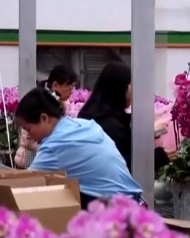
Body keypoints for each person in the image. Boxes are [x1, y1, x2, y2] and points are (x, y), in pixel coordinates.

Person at [15, 88, 143, 208]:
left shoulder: (54, 146)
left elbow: (24, 185)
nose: (28, 135)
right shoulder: (83, 125)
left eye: (28, 129)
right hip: (134, 201)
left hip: (114, 213)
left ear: (44, 118)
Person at [78, 62, 174, 173]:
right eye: (131, 87)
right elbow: (120, 165)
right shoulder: (110, 125)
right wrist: (157, 157)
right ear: (119, 89)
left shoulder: (94, 113)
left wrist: (147, 134)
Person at [15, 65, 78, 169]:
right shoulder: (40, 102)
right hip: (32, 155)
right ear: (55, 85)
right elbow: (29, 137)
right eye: (68, 87)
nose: (71, 91)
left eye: (72, 87)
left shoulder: (60, 103)